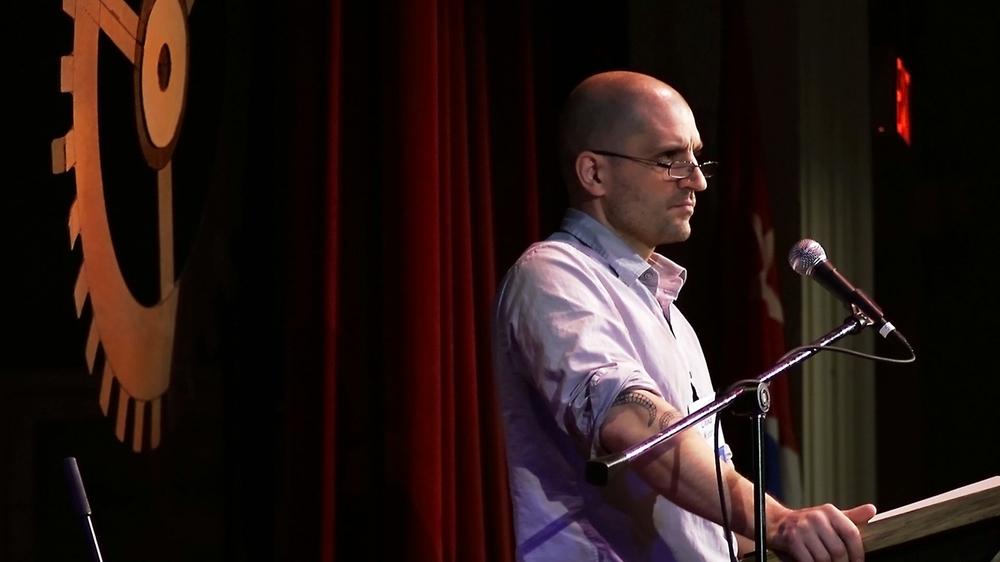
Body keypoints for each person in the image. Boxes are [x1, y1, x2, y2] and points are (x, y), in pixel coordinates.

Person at [491, 70, 876, 561]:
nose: (695, 180)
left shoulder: (669, 315)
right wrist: (779, 521)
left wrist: (811, 536)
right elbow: (631, 422)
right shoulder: (553, 275)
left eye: (696, 158)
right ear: (594, 174)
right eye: (669, 159)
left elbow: (702, 518)